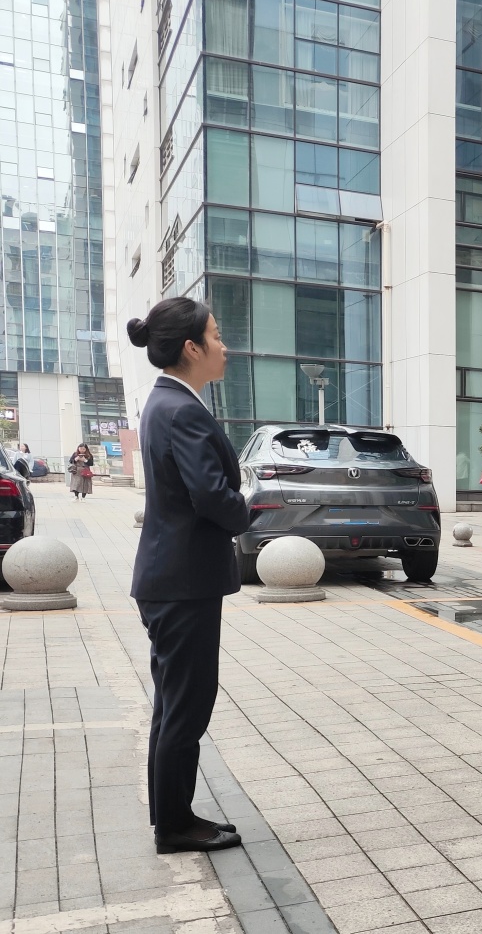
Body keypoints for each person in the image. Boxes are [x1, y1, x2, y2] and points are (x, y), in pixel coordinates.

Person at [127, 296, 250, 854]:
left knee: (175, 705)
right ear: (192, 348)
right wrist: (248, 509)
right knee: (187, 705)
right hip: (183, 583)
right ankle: (175, 826)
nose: (225, 346)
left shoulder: (167, 402)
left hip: (173, 579)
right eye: (217, 335)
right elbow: (211, 496)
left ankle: (172, 816)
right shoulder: (181, 409)